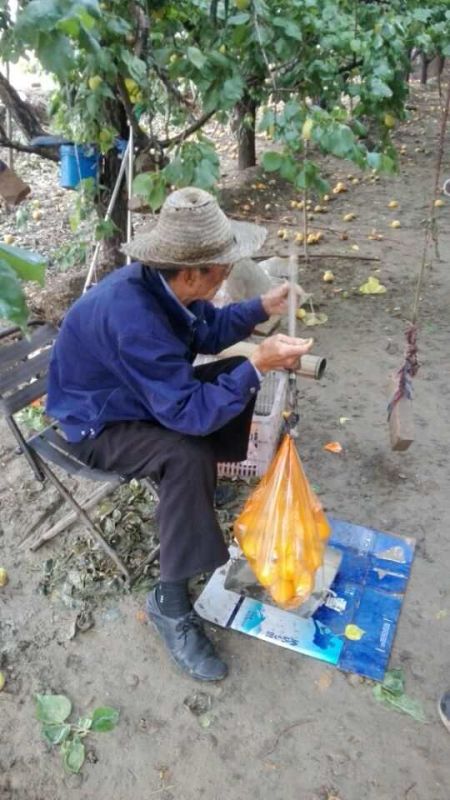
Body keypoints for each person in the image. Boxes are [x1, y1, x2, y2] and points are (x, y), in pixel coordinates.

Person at [46, 187, 314, 681]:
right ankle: (168, 601)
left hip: (134, 396)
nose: (227, 275)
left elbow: (207, 331)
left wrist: (261, 306)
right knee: (186, 453)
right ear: (191, 273)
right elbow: (189, 414)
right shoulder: (134, 317)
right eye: (222, 270)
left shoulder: (163, 286)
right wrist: (259, 361)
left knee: (230, 376)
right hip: (97, 423)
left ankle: (196, 491)